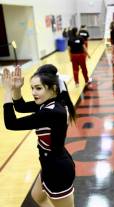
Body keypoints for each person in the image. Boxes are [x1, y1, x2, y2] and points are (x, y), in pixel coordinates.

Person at [2, 64, 76, 207]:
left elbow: (11, 123)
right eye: (32, 88)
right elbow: (20, 107)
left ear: (53, 88)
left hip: (58, 171)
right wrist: (17, 88)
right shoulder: (51, 102)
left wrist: (7, 91)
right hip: (49, 164)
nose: (34, 93)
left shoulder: (52, 112)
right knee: (38, 196)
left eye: (38, 88)